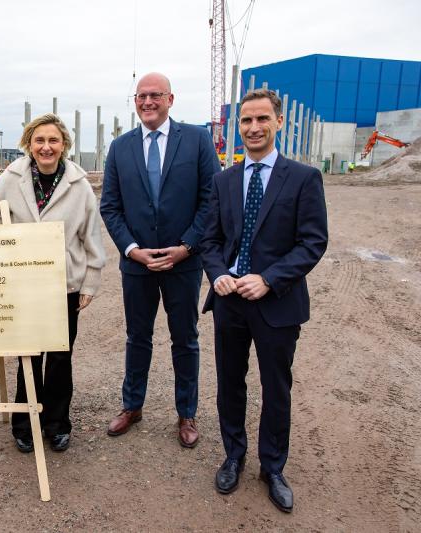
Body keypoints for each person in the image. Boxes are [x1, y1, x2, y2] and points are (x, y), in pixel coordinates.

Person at [201, 89, 328, 512]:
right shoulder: (224, 180)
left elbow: (312, 242)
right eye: (245, 121)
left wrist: (270, 280)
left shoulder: (303, 178)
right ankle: (234, 456)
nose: (253, 128)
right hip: (230, 301)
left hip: (277, 303)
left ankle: (272, 466)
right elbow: (212, 240)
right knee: (229, 384)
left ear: (277, 123)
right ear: (238, 128)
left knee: (276, 388)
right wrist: (219, 274)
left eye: (261, 120)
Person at [100, 72, 220, 447]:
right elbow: (111, 207)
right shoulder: (120, 148)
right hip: (137, 265)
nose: (147, 102)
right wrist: (132, 249)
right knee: (138, 337)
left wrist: (187, 245)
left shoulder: (197, 141)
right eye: (141, 96)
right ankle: (132, 406)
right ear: (134, 101)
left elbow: (210, 200)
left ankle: (186, 414)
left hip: (183, 262)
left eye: (155, 95)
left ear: (171, 99)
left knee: (185, 339)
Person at [0, 113, 106, 453]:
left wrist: (89, 283)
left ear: (64, 145)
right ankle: (24, 423)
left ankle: (57, 423)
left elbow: (91, 236)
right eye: (39, 140)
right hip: (23, 283)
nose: (46, 147)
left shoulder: (79, 185)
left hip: (64, 285)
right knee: (27, 355)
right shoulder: (10, 180)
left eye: (53, 140)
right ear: (29, 143)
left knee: (60, 355)